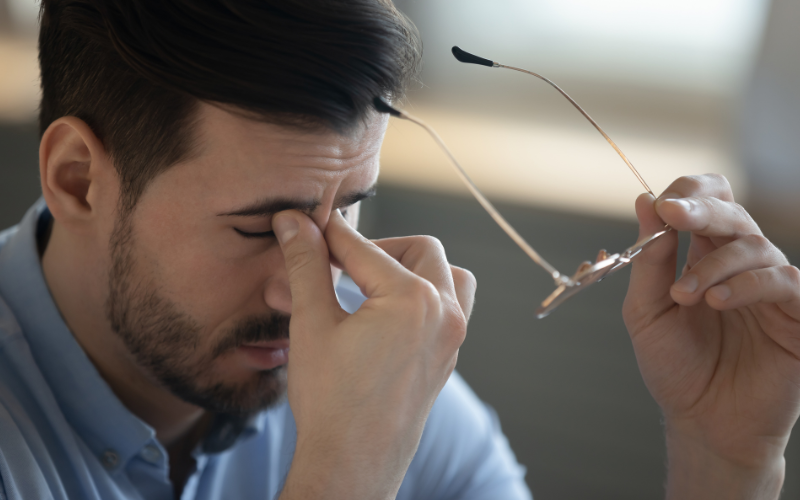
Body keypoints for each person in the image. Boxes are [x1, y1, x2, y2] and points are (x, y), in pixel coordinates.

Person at [0, 1, 797, 500]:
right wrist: (343, 474)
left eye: (348, 211)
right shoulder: (364, 418)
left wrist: (722, 458)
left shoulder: (378, 382)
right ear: (77, 181)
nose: (308, 294)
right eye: (257, 228)